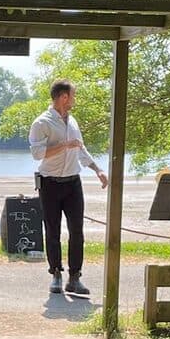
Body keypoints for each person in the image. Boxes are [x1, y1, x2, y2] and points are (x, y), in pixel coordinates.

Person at [28, 79, 108, 297]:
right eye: (73, 95)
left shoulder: (73, 122)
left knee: (77, 232)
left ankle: (75, 278)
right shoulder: (41, 123)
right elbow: (37, 154)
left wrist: (97, 169)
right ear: (63, 97)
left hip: (73, 183)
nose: (74, 99)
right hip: (50, 183)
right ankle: (56, 274)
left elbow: (80, 149)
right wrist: (64, 146)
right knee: (52, 231)